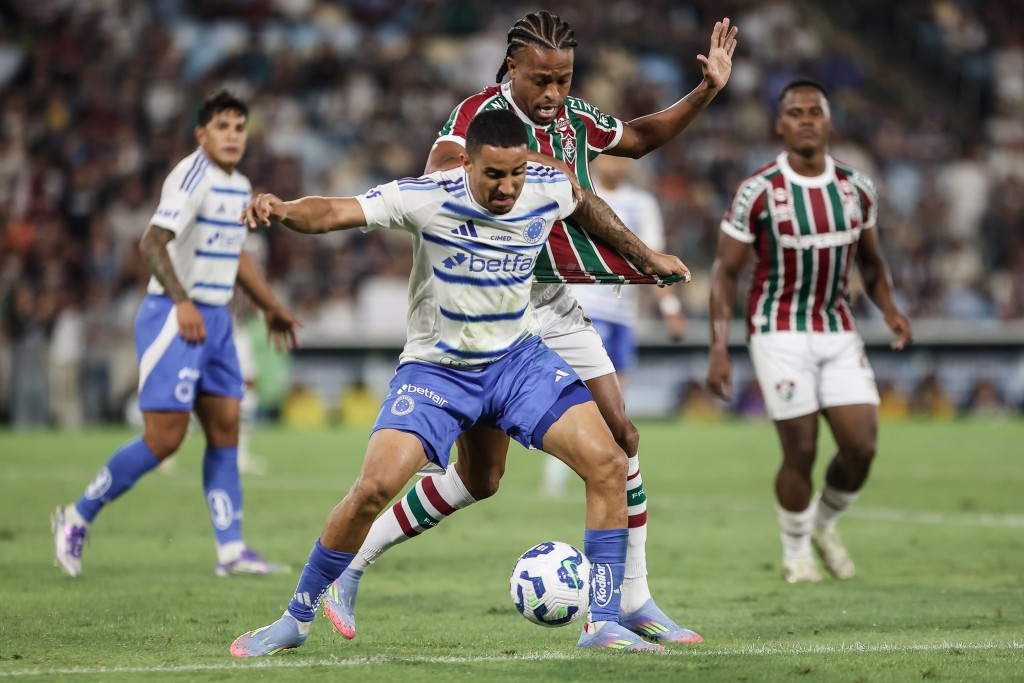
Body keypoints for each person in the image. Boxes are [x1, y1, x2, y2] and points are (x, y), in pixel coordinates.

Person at [322, 10, 737, 645]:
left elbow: (639, 137)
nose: (552, 93)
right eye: (541, 80)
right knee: (481, 478)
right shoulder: (478, 116)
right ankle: (352, 563)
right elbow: (441, 168)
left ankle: (632, 601)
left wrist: (706, 90)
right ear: (511, 68)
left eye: (563, 80)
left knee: (621, 438)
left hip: (553, 300)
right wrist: (523, 167)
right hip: (485, 309)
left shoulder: (573, 119)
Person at [229, 109, 688, 656]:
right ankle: (296, 617)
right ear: (467, 164)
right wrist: (283, 210)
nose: (508, 187)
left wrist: (646, 257)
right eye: (494, 175)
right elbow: (333, 211)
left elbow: (586, 204)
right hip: (438, 371)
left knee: (610, 461)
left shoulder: (546, 186)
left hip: (517, 363)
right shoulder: (427, 196)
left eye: (516, 173)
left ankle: (604, 623)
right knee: (373, 488)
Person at [51, 91, 300, 578]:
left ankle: (231, 551)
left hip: (217, 319)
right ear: (201, 134)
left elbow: (237, 254)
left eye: (239, 127)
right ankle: (76, 516)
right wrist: (182, 301)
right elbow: (151, 242)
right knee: (164, 439)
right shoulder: (192, 176)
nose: (232, 135)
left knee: (226, 429)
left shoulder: (240, 185)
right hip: (174, 314)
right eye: (222, 126)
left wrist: (271, 307)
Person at [704, 79, 912, 583]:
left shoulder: (857, 188)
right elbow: (725, 272)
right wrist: (719, 347)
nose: (805, 120)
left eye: (814, 111)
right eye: (794, 112)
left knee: (861, 447)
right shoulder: (757, 191)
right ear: (779, 124)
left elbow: (871, 261)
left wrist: (889, 307)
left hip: (838, 327)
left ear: (828, 121)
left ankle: (822, 524)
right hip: (778, 330)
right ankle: (795, 551)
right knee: (801, 448)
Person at [543, 154, 687, 496]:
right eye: (609, 157)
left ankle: (603, 471)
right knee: (583, 399)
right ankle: (558, 472)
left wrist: (670, 307)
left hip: (623, 314)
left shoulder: (642, 203)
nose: (616, 165)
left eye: (623, 159)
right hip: (585, 308)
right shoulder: (576, 195)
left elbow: (656, 254)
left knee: (616, 403)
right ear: (594, 158)